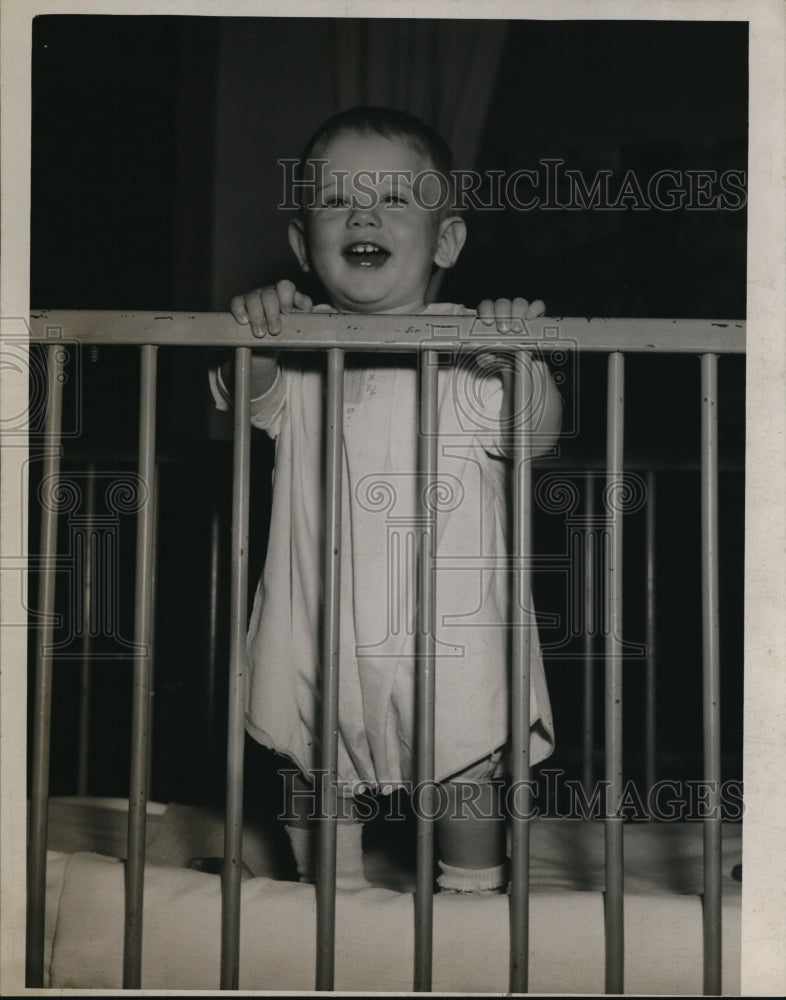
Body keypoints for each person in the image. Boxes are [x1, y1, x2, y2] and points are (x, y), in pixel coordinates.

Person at [210, 106, 562, 893]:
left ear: (445, 241)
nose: (363, 213)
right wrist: (259, 336)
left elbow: (535, 438)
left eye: (396, 199)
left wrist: (518, 359)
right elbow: (246, 395)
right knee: (310, 761)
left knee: (466, 763)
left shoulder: (472, 345)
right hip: (321, 623)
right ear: (304, 244)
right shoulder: (296, 349)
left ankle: (471, 903)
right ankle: (330, 903)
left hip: (450, 625)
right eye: (336, 200)